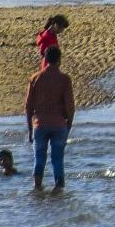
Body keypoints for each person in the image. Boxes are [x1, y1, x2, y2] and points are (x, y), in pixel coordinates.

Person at [24, 44, 74, 192]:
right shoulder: (64, 79)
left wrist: (29, 129)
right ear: (59, 60)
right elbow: (70, 105)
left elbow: (28, 106)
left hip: (39, 124)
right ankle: (58, 189)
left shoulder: (35, 78)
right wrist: (69, 124)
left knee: (39, 159)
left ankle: (37, 188)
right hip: (59, 124)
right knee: (57, 160)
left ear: (45, 59)